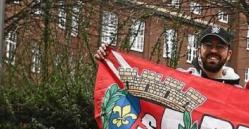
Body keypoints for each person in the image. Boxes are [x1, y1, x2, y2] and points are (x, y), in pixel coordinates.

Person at [94, 25, 240, 85]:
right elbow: (139, 83)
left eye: (220, 47)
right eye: (208, 45)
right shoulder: (180, 80)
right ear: (198, 51)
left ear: (229, 54)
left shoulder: (239, 94)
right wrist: (109, 63)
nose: (213, 51)